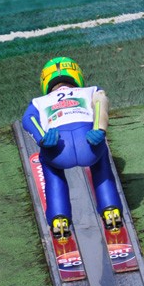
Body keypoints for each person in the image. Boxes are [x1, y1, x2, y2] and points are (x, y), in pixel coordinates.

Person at [22, 56, 123, 242]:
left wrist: (42, 138)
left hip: (59, 150)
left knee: (50, 166)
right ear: (77, 75)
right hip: (88, 146)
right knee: (101, 157)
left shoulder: (38, 101)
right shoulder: (90, 90)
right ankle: (111, 209)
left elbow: (28, 119)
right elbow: (101, 102)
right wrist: (99, 129)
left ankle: (59, 219)